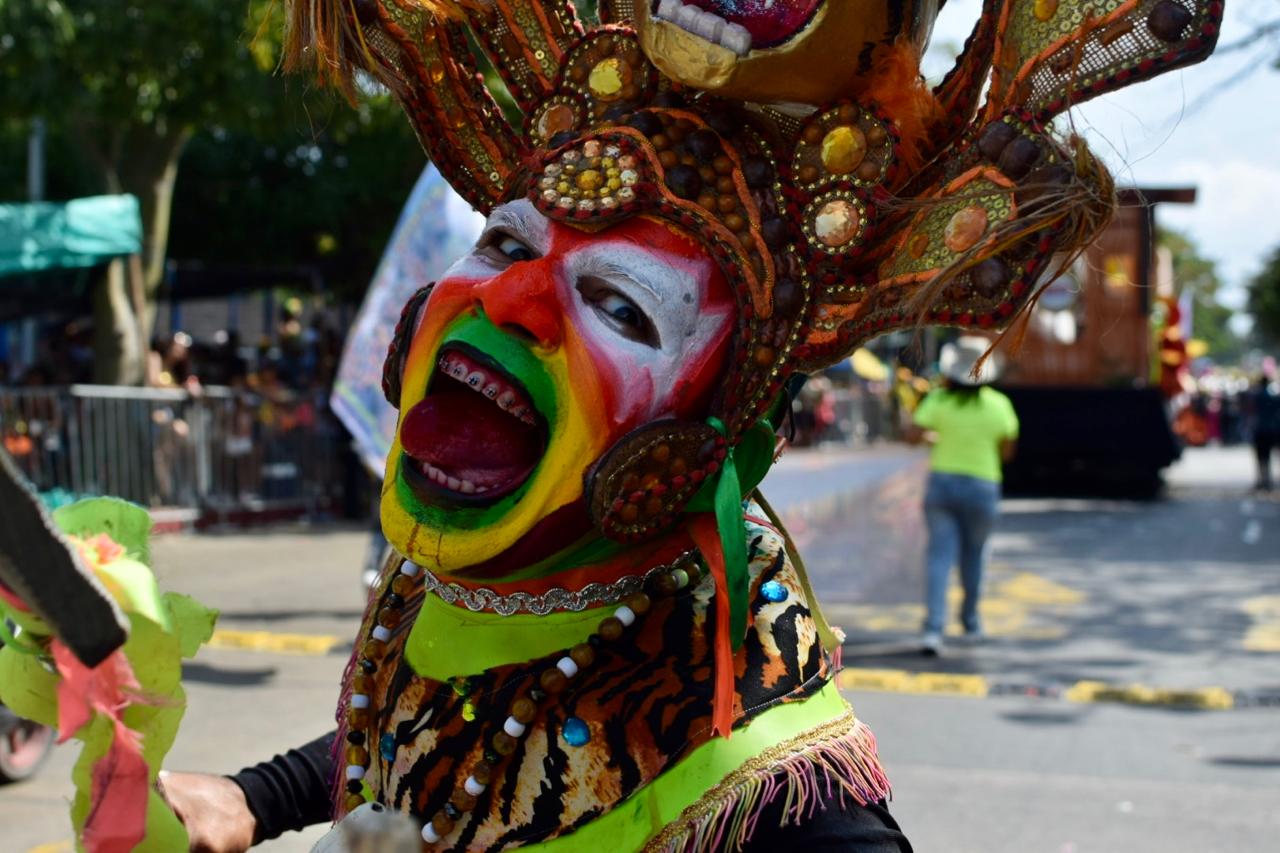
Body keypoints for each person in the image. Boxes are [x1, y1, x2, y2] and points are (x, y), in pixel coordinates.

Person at [34, 1, 1216, 851]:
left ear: (697, 431)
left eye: (616, 304)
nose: (505, 297)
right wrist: (251, 795)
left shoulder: (771, 793)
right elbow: (456, 738)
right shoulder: (502, 592)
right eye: (502, 242)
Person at [908, 337, 1019, 656]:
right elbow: (1008, 451)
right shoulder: (999, 405)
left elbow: (912, 434)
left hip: (941, 484)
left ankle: (933, 630)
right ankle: (970, 622)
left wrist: (933, 437)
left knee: (939, 558)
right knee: (975, 556)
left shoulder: (938, 400)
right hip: (983, 486)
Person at [1248, 366, 1280, 491]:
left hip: (1260, 429)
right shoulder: (1273, 397)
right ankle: (1268, 480)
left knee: (1261, 457)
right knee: (1269, 456)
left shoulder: (1256, 396)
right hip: (1272, 429)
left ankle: (1262, 480)